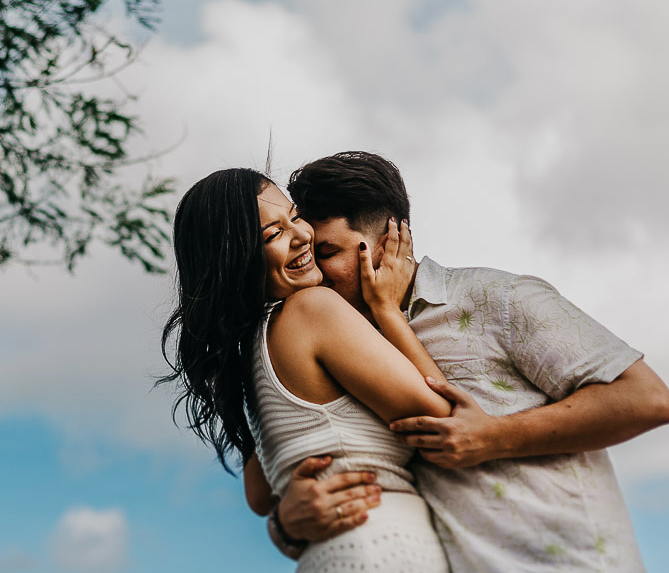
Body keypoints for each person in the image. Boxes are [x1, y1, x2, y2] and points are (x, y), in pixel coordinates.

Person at [260, 151, 669, 572]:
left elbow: (647, 398)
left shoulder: (499, 298)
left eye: (328, 252)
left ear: (387, 242)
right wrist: (285, 524)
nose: (316, 269)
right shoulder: (339, 346)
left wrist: (494, 436)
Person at [162, 167, 456, 571]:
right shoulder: (311, 310)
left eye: (295, 216)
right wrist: (387, 310)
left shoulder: (249, 357)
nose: (302, 236)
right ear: (237, 261)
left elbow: (260, 496)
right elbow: (445, 416)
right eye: (273, 235)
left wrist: (283, 527)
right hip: (383, 549)